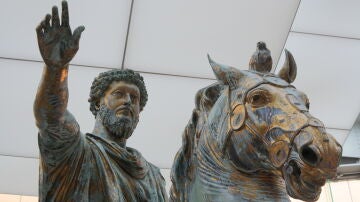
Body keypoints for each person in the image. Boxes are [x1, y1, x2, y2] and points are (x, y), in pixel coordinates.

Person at [34, 1, 167, 201]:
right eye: (119, 93)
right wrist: (56, 70)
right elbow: (51, 118)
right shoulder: (75, 150)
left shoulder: (153, 176)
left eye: (135, 98)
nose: (128, 101)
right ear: (98, 103)